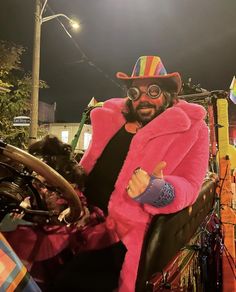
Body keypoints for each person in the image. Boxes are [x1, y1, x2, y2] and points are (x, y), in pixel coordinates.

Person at [51, 55, 209, 292]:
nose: (143, 99)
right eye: (135, 93)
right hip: (79, 216)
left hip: (120, 235)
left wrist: (158, 191)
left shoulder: (193, 128)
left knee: (65, 285)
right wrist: (63, 184)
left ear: (168, 94)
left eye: (153, 91)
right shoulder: (113, 119)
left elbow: (191, 184)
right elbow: (87, 165)